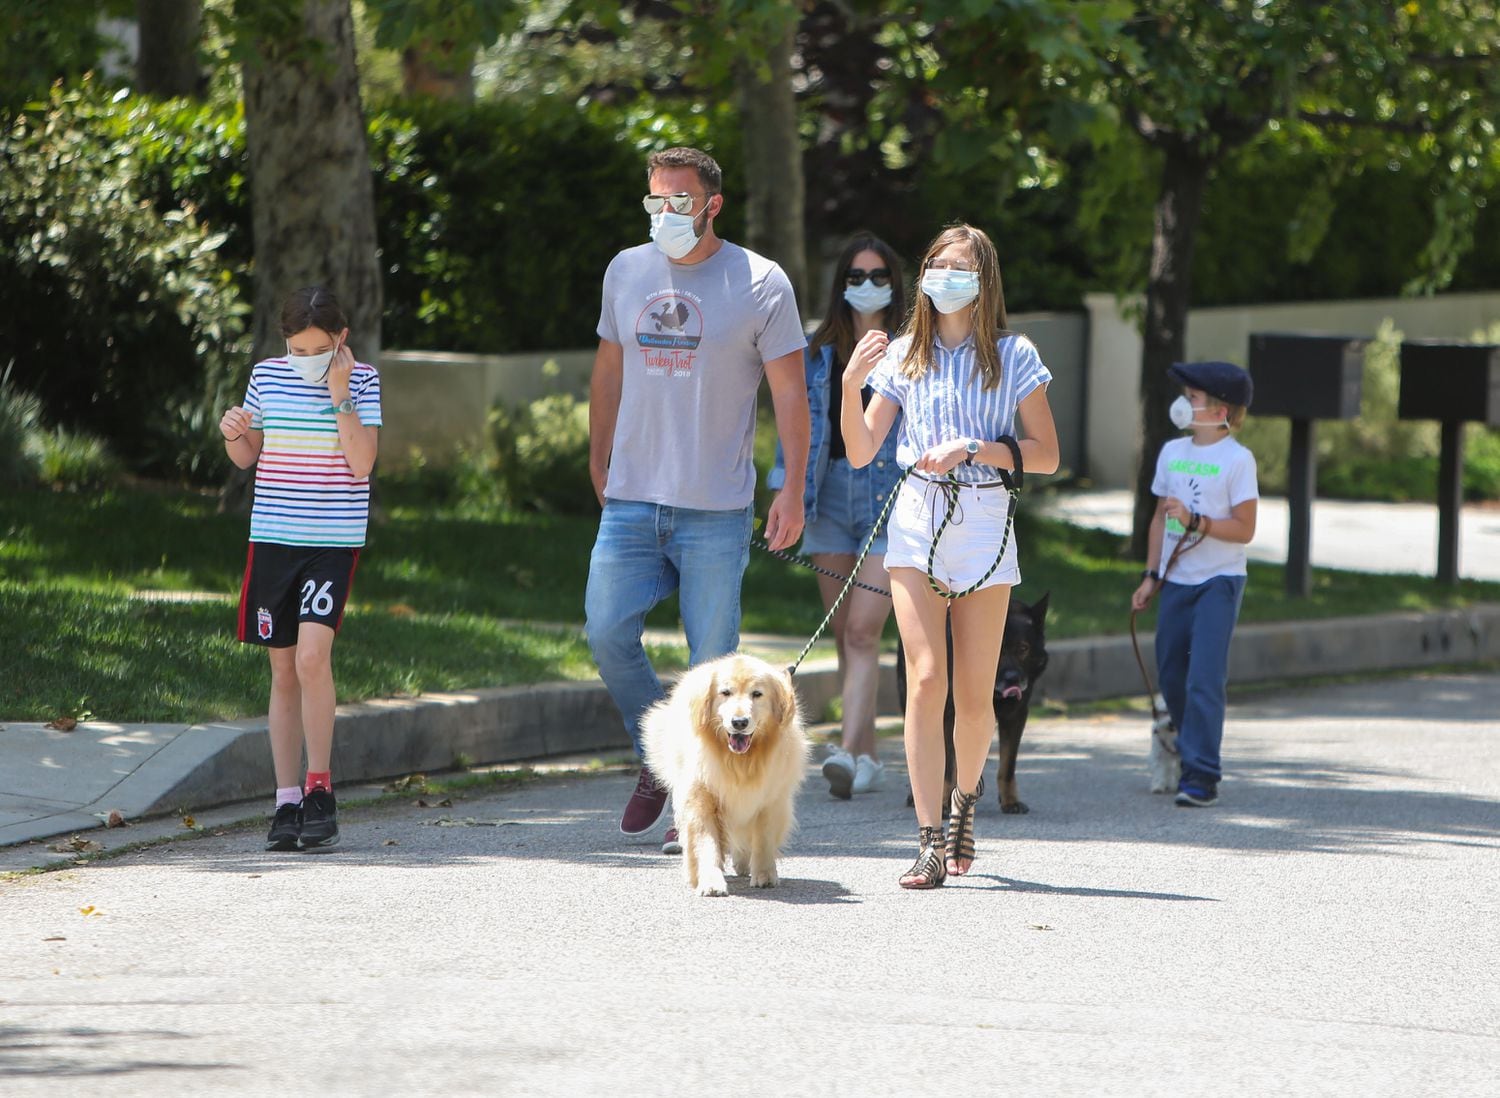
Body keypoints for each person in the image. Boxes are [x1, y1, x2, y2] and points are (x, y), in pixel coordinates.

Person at [585, 146, 811, 853]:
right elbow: (608, 370)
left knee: (717, 671)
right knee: (606, 634)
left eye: (678, 200)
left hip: (715, 509)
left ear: (712, 204)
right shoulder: (626, 270)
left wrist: (792, 489)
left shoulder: (762, 283)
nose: (664, 212)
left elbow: (791, 397)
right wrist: (599, 462)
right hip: (630, 500)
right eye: (654, 199)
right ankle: (664, 755)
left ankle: (699, 802)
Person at [842, 223, 1059, 890]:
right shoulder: (905, 352)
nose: (942, 276)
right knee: (926, 677)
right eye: (936, 264)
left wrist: (977, 448)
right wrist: (853, 383)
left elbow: (1047, 454)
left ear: (983, 280)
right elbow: (859, 449)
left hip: (985, 526)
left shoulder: (1014, 355)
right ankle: (929, 839)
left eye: (958, 266)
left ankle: (967, 804)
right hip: (916, 521)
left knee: (973, 696)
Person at [219, 286, 381, 851]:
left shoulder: (362, 381)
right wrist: (236, 433)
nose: (307, 360)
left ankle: (320, 789)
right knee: (282, 669)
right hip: (274, 541)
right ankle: (286, 800)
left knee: (314, 656)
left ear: (341, 339)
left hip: (331, 541)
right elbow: (250, 455)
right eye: (297, 349)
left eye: (319, 349)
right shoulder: (267, 376)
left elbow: (361, 464)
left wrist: (340, 394)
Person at [769, 232, 906, 800]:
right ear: (840, 286)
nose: (867, 286)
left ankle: (848, 753)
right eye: (855, 276)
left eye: (879, 276)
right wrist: (786, 494)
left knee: (862, 630)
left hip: (889, 502)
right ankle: (867, 756)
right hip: (827, 499)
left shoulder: (911, 349)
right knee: (843, 636)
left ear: (896, 285)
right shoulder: (816, 348)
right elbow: (794, 430)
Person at [1130, 361, 1258, 808]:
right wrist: (1151, 575)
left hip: (1219, 581)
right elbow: (1158, 519)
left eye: (1195, 397)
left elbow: (1244, 529)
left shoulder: (1238, 461)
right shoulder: (1171, 452)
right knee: (1172, 674)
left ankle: (1202, 774)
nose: (1185, 403)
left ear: (1222, 409)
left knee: (1204, 677)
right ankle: (1189, 751)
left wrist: (1196, 520)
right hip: (1176, 581)